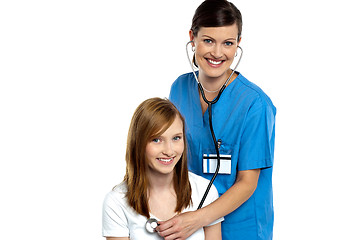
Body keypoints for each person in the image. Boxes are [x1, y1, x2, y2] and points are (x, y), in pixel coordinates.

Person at [157, 0, 276, 240]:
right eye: (208, 40)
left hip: (240, 229)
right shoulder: (179, 88)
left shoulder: (255, 104)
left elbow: (247, 182)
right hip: (188, 224)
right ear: (193, 38)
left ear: (238, 44)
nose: (217, 53)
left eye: (228, 43)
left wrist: (197, 219)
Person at [102, 98, 223, 240]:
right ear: (138, 142)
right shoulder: (116, 202)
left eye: (176, 138)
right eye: (156, 140)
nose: (169, 151)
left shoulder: (205, 191)